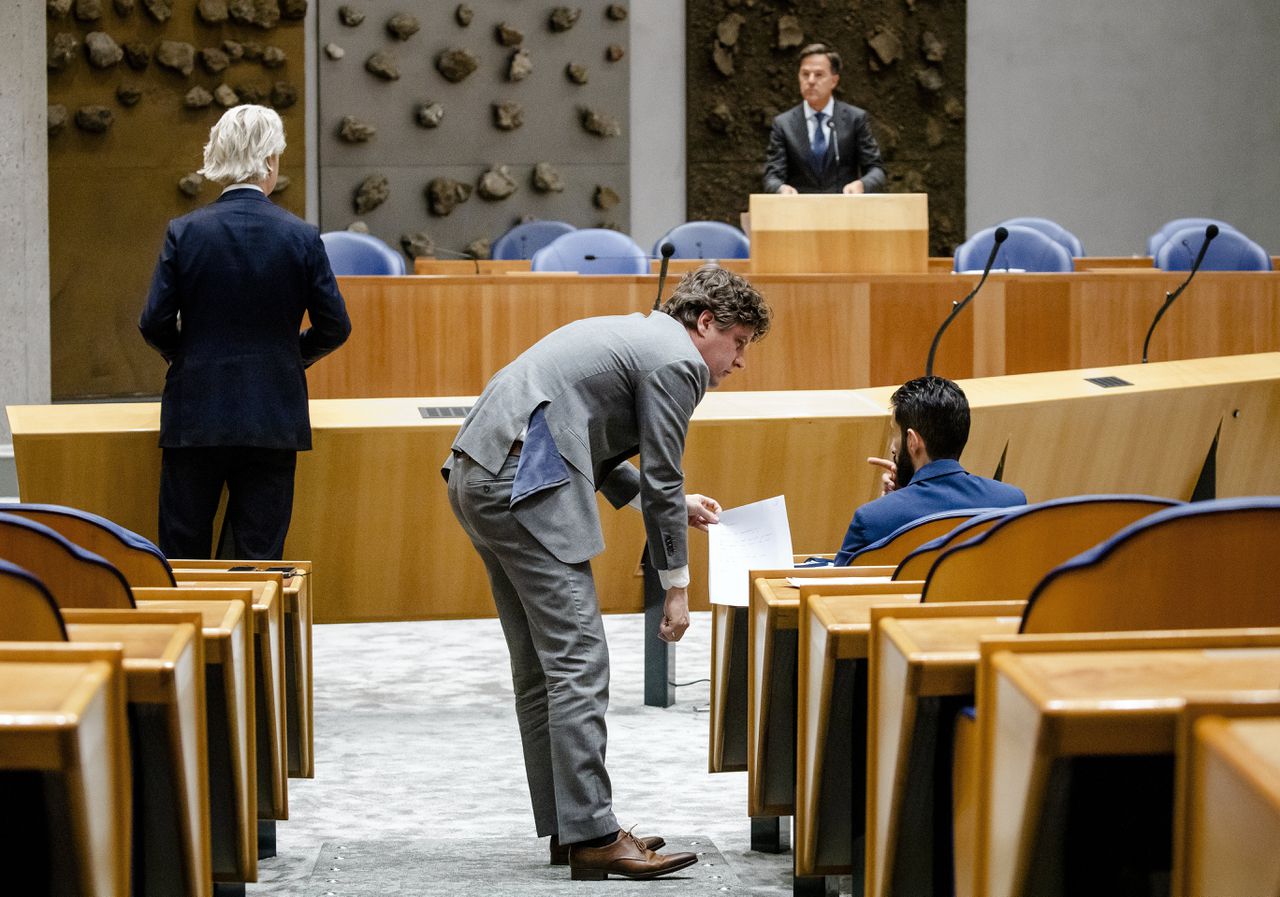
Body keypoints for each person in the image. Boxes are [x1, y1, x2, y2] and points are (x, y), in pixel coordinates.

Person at [444, 266, 772, 880]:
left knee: (544, 668)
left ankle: (574, 828)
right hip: (520, 483)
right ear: (706, 324)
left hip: (478, 473)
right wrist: (677, 588)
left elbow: (581, 429)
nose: (740, 361)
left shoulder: (641, 336)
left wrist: (672, 502)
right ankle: (594, 835)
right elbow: (661, 475)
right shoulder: (678, 363)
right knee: (578, 661)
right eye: (740, 343)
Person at [139, 105, 351, 560]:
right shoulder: (301, 236)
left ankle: (191, 630)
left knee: (183, 551)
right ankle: (250, 633)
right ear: (271, 160)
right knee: (257, 556)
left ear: (219, 157)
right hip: (273, 413)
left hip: (194, 411)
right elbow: (335, 326)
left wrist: (186, 355)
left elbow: (153, 321)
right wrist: (291, 356)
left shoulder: (185, 232)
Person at [834, 376, 1025, 564]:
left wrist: (889, 504)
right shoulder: (1011, 503)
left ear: (912, 441)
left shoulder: (871, 519)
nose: (893, 447)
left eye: (894, 432)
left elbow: (838, 591)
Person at [763, 43, 887, 196]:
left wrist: (861, 185)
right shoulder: (784, 124)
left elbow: (876, 170)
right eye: (805, 74)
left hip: (844, 211)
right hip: (799, 212)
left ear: (834, 81)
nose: (811, 81)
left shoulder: (855, 119)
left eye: (819, 74)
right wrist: (780, 189)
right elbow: (772, 176)